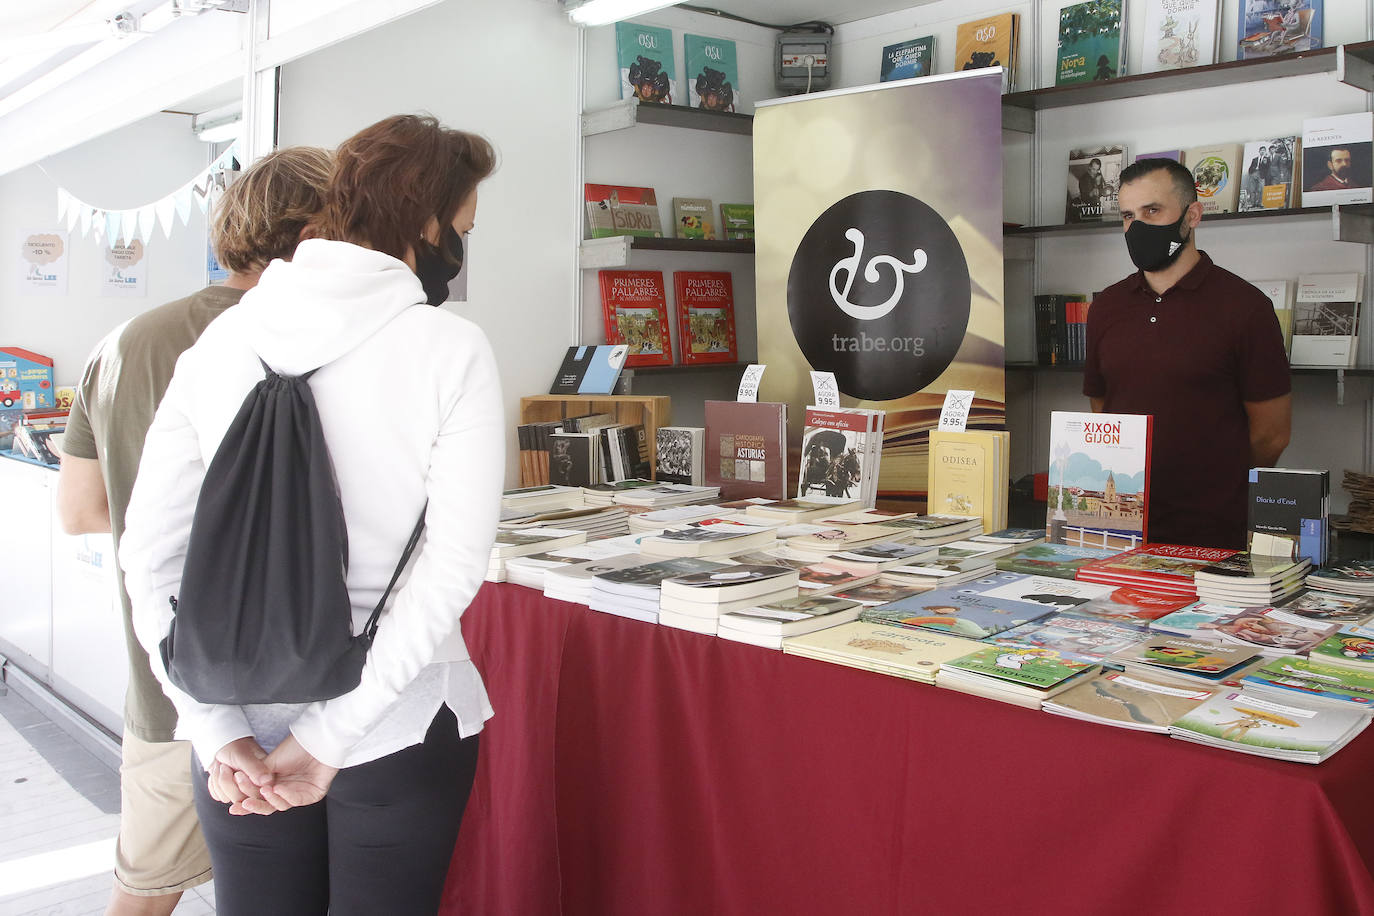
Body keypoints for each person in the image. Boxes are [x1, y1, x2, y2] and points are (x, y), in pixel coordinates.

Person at [119, 114, 503, 916]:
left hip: (238, 722)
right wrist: (330, 739)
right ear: (426, 222)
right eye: (462, 227)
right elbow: (454, 563)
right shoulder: (449, 347)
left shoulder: (219, 347)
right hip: (398, 719)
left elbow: (148, 554)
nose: (461, 249)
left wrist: (215, 727)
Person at [57, 145, 332, 916]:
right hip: (302, 688)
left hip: (171, 675)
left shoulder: (123, 344)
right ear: (320, 229)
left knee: (145, 892)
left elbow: (81, 511)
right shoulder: (323, 340)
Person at [1083, 157, 1291, 549]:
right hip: (1119, 529)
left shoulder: (1246, 308)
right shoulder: (1107, 307)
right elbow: (1104, 408)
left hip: (1212, 533)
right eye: (1128, 216)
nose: (1137, 226)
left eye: (1153, 211)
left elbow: (1273, 434)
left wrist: (1216, 478)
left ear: (1192, 215)